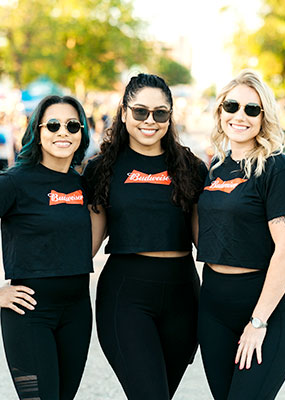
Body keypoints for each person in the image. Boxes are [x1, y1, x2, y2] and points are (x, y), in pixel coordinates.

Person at [83, 73, 207, 400]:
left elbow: (206, 239)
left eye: (160, 113)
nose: (149, 121)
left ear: (170, 116)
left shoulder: (192, 167)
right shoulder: (102, 169)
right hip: (126, 298)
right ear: (124, 113)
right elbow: (86, 246)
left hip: (184, 299)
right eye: (140, 111)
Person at [195, 69, 285, 399]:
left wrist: (258, 322)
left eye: (251, 109)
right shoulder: (214, 168)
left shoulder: (278, 168)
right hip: (214, 307)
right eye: (232, 106)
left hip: (264, 307)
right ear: (220, 111)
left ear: (264, 116)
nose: (240, 115)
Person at [0, 95, 93, 400]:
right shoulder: (14, 182)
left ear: (82, 134)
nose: (62, 132)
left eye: (72, 125)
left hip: (77, 314)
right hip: (29, 315)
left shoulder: (83, 184)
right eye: (53, 125)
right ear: (37, 132)